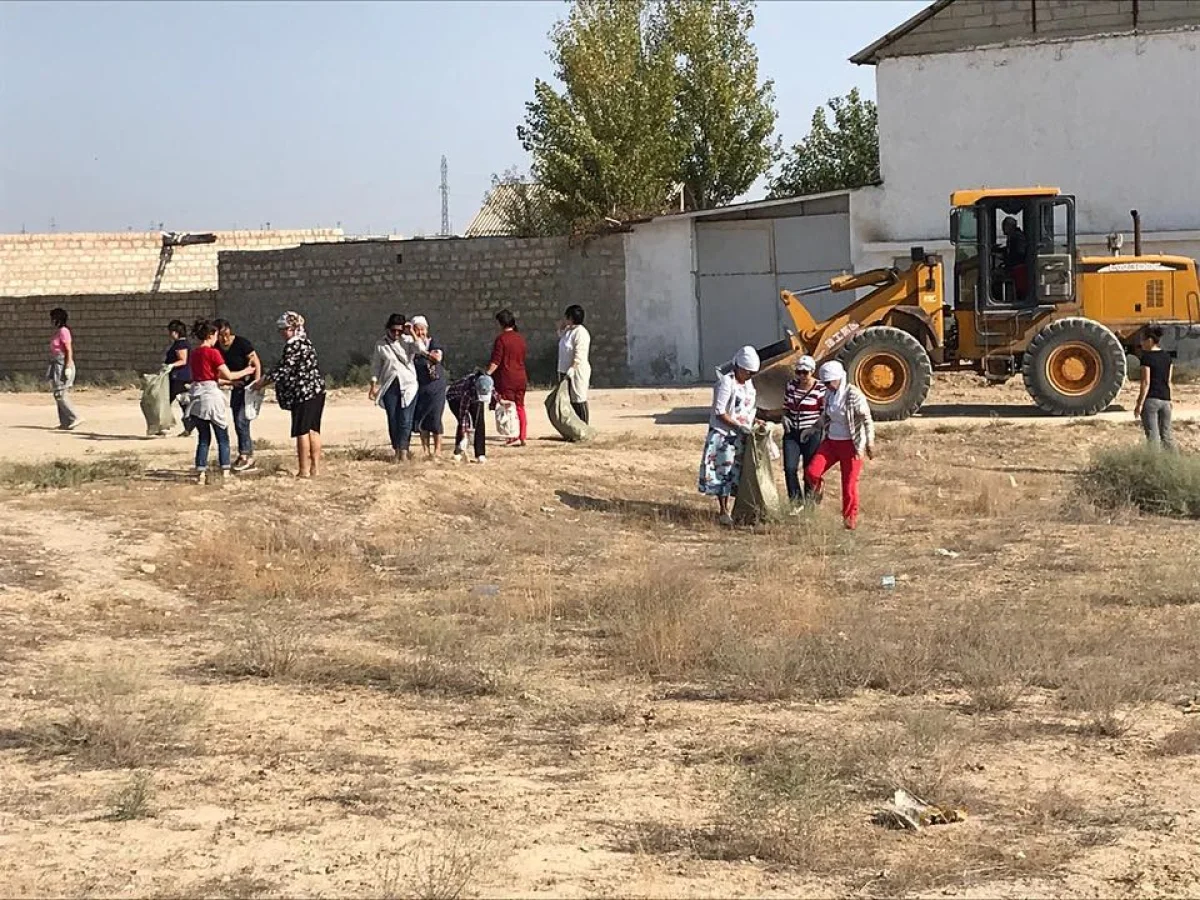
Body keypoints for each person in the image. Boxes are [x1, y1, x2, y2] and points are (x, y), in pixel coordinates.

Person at [254, 311, 327, 479]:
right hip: (317, 391)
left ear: (294, 328)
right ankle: (315, 468)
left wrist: (261, 383)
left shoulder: (293, 346)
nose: (282, 333)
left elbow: (283, 370)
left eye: (284, 329)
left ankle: (304, 470)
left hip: (303, 393)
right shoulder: (307, 343)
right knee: (313, 429)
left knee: (302, 430)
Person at [804, 360, 876, 531]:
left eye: (829, 382)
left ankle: (849, 518)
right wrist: (813, 428)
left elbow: (867, 420)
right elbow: (826, 416)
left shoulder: (853, 395)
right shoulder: (829, 395)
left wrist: (869, 443)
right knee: (811, 471)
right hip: (831, 442)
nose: (827, 386)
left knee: (849, 484)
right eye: (825, 383)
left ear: (838, 379)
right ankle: (818, 487)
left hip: (851, 445)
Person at [698, 346, 762, 527]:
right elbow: (720, 411)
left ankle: (738, 509)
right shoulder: (726, 383)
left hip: (741, 435)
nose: (749, 375)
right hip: (724, 436)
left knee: (738, 473)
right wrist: (737, 426)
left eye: (752, 373)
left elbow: (747, 409)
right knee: (723, 473)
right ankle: (723, 510)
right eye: (747, 372)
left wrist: (755, 422)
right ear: (739, 367)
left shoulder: (748, 384)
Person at [186, 320, 254, 484]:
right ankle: (225, 470)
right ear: (211, 335)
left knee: (203, 438)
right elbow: (228, 375)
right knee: (222, 436)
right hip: (212, 398)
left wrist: (227, 382)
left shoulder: (194, 353)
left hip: (197, 397)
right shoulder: (213, 353)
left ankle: (200, 473)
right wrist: (248, 370)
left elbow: (204, 377)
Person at [368, 313, 422, 462]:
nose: (396, 333)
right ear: (388, 329)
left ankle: (404, 450)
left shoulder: (408, 341)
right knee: (393, 419)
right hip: (390, 384)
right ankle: (396, 449)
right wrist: (373, 385)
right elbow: (376, 366)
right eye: (393, 330)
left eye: (399, 330)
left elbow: (421, 349)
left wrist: (411, 332)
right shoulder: (381, 345)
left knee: (405, 418)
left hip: (408, 384)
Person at [215, 318, 262, 471]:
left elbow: (256, 363)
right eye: (221, 335)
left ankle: (246, 455)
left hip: (249, 387)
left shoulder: (242, 343)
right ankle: (245, 454)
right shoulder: (216, 348)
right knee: (237, 420)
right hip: (237, 386)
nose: (225, 338)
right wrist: (230, 383)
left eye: (227, 334)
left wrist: (257, 384)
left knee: (242, 419)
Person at [780, 355, 826, 510]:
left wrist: (816, 429)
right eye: (798, 372)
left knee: (809, 470)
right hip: (792, 432)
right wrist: (784, 418)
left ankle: (809, 503)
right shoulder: (791, 386)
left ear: (812, 372)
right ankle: (795, 502)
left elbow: (825, 413)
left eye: (804, 373)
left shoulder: (820, 389)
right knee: (790, 468)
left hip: (811, 433)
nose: (801, 376)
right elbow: (786, 406)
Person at [487, 308, 529, 446]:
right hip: (521, 376)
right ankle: (522, 435)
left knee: (508, 408)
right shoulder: (520, 339)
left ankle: (512, 435)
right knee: (520, 406)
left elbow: (496, 361)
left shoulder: (501, 340)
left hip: (507, 377)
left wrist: (487, 374)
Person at [410, 315, 447, 459]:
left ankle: (437, 451)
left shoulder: (433, 343)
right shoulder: (412, 346)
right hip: (420, 386)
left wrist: (423, 351)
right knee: (422, 419)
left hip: (436, 386)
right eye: (417, 330)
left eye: (422, 329)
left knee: (435, 417)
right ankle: (426, 450)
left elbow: (436, 358)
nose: (420, 333)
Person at [1135, 325, 1175, 450]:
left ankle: (1154, 465)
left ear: (1150, 340)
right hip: (1166, 400)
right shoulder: (1167, 358)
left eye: (1143, 340)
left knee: (1153, 438)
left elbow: (1145, 382)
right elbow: (1169, 381)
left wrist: (1139, 404)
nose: (1141, 343)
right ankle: (1174, 463)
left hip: (1151, 400)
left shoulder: (1146, 358)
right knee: (1167, 436)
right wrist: (1170, 400)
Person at [447, 371, 494, 464]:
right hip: (455, 397)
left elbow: (495, 394)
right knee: (464, 422)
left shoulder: (488, 381)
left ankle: (480, 454)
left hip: (473, 395)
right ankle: (458, 451)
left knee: (479, 421)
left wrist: (501, 401)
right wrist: (465, 436)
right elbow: (463, 416)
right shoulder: (467, 390)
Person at [557, 304, 592, 424]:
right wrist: (562, 326)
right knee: (568, 400)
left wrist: (573, 368)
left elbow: (579, 353)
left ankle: (583, 424)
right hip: (564, 370)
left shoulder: (581, 333)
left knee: (578, 398)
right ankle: (572, 427)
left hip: (576, 371)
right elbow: (561, 336)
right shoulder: (568, 330)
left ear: (571, 318)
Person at [47, 307, 81, 431]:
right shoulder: (58, 332)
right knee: (57, 393)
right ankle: (65, 422)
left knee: (60, 393)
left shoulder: (64, 331)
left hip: (62, 363)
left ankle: (75, 417)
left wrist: (68, 366)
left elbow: (68, 349)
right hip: (56, 363)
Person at [164, 320, 192, 437]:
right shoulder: (179, 344)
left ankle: (162, 424)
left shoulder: (181, 344)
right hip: (178, 377)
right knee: (182, 403)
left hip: (179, 378)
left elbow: (183, 360)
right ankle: (188, 426)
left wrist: (171, 365)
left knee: (166, 401)